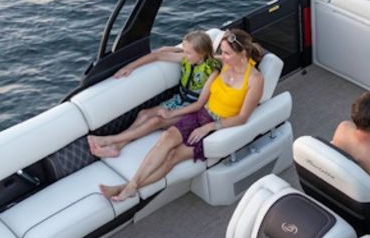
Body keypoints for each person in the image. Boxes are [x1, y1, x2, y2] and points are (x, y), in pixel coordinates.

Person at [99, 28, 264, 202]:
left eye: (227, 53)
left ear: (242, 53)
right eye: (222, 52)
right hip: (201, 114)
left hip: (219, 126)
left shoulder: (255, 79)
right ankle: (132, 185)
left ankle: (126, 187)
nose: (222, 56)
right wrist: (170, 49)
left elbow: (242, 117)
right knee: (166, 138)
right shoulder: (223, 62)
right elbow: (201, 54)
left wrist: (209, 127)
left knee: (172, 156)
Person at [88, 30, 220, 158]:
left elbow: (199, 104)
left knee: (155, 121)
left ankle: (109, 140)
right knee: (143, 114)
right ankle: (117, 146)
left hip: (193, 111)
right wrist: (130, 67)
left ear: (201, 54)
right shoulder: (187, 58)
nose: (184, 54)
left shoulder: (212, 72)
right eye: (184, 51)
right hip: (179, 100)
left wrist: (171, 113)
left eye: (188, 52)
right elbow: (157, 56)